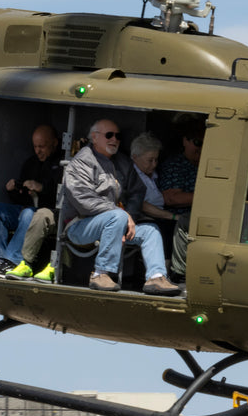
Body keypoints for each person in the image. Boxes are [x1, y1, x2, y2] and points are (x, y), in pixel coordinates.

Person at [61, 119, 181, 295]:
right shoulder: (81, 163)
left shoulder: (123, 163)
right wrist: (121, 216)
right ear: (94, 137)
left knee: (150, 230)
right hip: (80, 226)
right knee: (117, 217)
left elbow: (137, 192)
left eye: (118, 136)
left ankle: (156, 277)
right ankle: (101, 273)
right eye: (109, 135)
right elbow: (83, 200)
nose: (114, 139)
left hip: (116, 224)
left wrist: (127, 218)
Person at [0, 124, 62, 281]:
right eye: (35, 146)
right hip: (27, 208)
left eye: (42, 146)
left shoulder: (63, 164)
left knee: (29, 214)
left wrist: (42, 188)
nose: (38, 151)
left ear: (54, 143)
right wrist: (15, 189)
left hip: (49, 214)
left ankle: (12, 261)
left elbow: (64, 195)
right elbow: (22, 197)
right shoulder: (31, 163)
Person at [158, 121, 204, 275]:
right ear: (185, 141)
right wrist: (208, 197)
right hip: (178, 219)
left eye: (206, 143)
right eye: (197, 142)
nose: (201, 148)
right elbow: (171, 198)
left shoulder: (207, 165)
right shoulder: (174, 165)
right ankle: (178, 274)